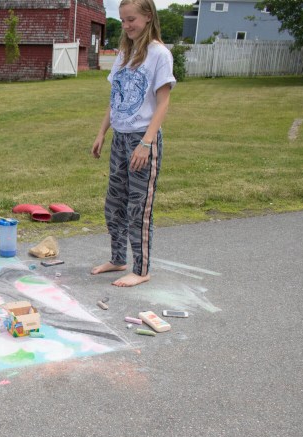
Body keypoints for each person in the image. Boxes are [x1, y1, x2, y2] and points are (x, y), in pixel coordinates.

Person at [90, 0, 175, 287]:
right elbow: (115, 100)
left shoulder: (159, 54)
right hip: (120, 137)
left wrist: (147, 143)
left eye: (131, 20)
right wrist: (103, 132)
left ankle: (141, 269)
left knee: (139, 207)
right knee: (114, 204)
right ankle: (118, 259)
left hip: (142, 138)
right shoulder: (124, 54)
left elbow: (163, 102)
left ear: (148, 16)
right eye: (122, 20)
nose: (126, 26)